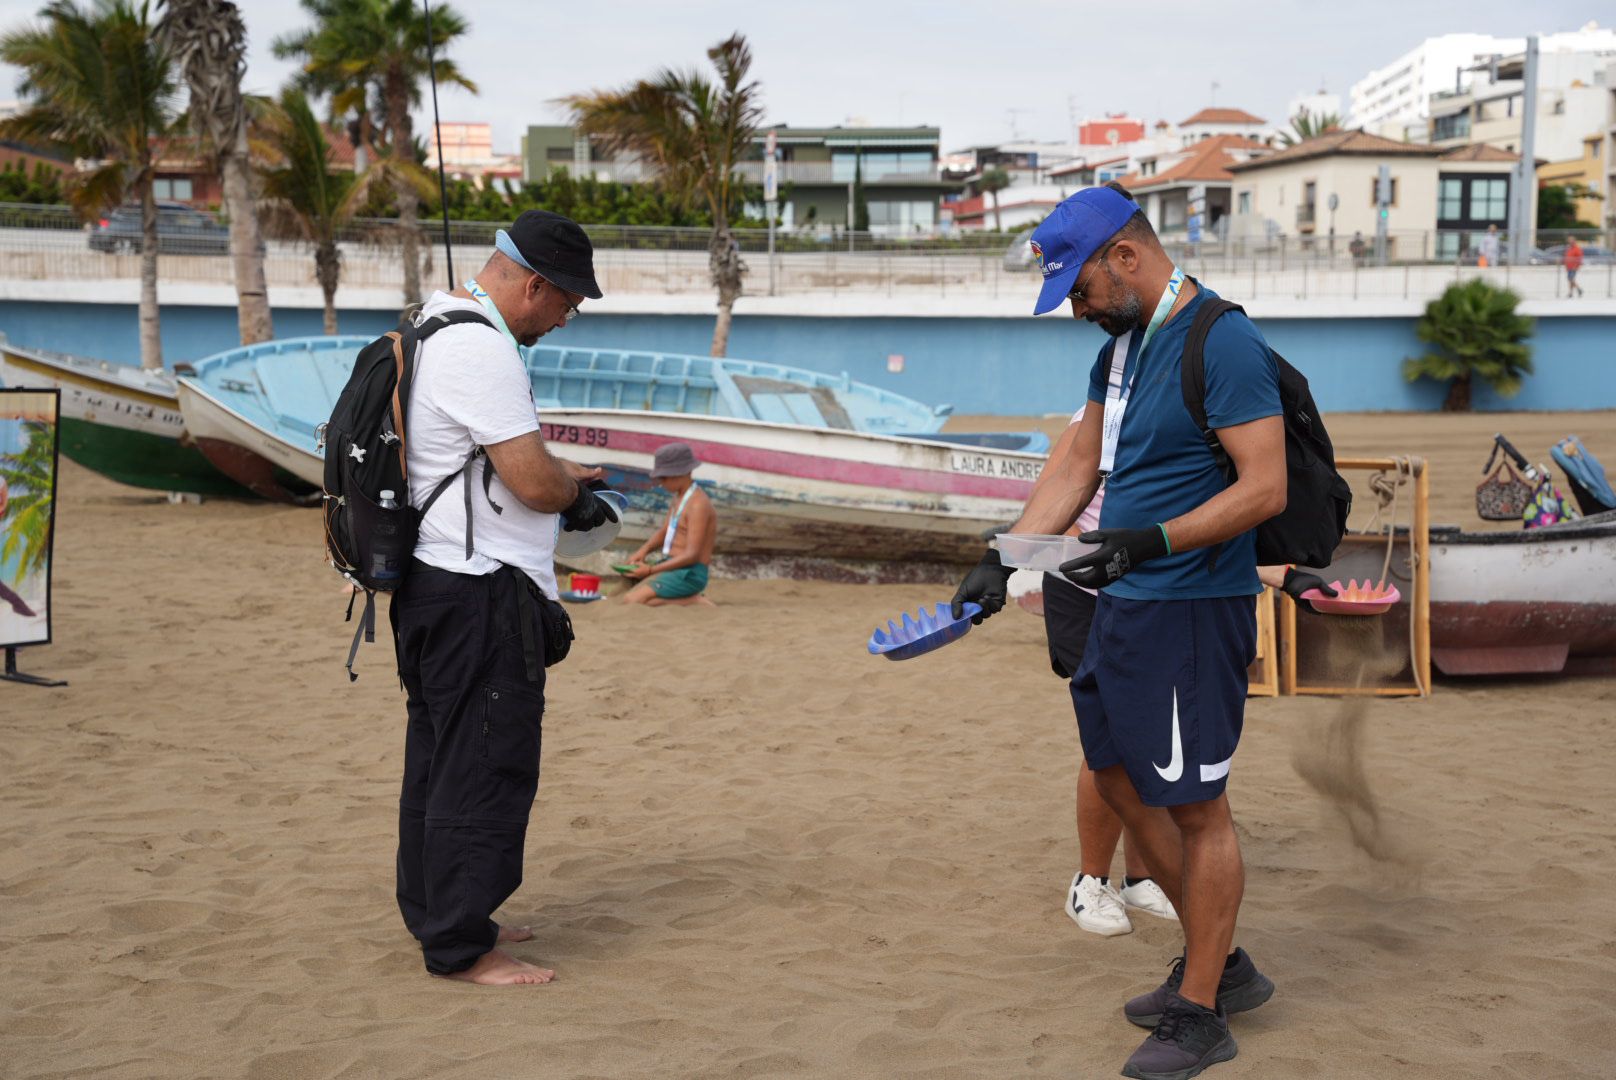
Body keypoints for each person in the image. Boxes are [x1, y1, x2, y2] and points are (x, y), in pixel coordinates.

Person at [953, 183, 1287, 1079]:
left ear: (1126, 258)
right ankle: (1227, 967)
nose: (1075, 306)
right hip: (1124, 607)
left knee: (1195, 805)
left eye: (1079, 287)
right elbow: (1078, 458)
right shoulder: (1123, 347)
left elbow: (1265, 487)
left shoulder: (1225, 340)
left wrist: (1151, 540)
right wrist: (1006, 553)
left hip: (1189, 607)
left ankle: (1203, 1009)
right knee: (1118, 777)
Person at [391, 210, 618, 987]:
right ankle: (462, 945)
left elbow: (481, 461)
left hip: (431, 583)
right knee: (485, 763)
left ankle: (445, 913)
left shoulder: (430, 322)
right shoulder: (481, 349)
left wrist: (559, 480)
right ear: (533, 285)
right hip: (478, 591)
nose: (566, 318)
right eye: (567, 303)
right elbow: (528, 480)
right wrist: (568, 491)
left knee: (441, 757)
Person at [1008, 400, 1176, 938]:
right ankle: (1090, 880)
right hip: (1084, 589)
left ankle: (1140, 877)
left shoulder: (1197, 403)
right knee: (1113, 740)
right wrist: (1010, 562)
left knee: (1152, 737)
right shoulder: (1104, 411)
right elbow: (1057, 484)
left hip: (1154, 594)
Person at [621, 442, 717, 606]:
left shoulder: (698, 504)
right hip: (672, 566)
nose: (661, 483)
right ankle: (686, 599)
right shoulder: (679, 497)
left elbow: (692, 555)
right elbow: (665, 530)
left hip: (689, 572)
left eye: (663, 478)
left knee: (632, 600)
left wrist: (650, 570)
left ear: (680, 473)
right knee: (627, 585)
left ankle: (693, 600)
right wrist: (643, 551)